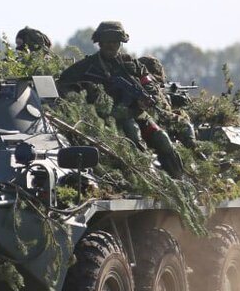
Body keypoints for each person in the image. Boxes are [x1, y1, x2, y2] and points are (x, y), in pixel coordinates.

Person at [56, 21, 186, 178]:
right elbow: (63, 85)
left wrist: (148, 99)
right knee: (133, 134)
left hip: (136, 113)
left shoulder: (132, 65)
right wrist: (86, 97)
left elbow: (149, 85)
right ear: (100, 43)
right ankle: (141, 177)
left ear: (121, 43)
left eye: (115, 42)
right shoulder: (87, 67)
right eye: (107, 42)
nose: (111, 46)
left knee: (162, 139)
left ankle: (178, 182)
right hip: (105, 119)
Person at [137, 55, 201, 153]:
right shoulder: (149, 84)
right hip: (153, 123)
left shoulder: (138, 80)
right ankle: (196, 152)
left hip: (147, 122)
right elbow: (160, 107)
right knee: (184, 122)